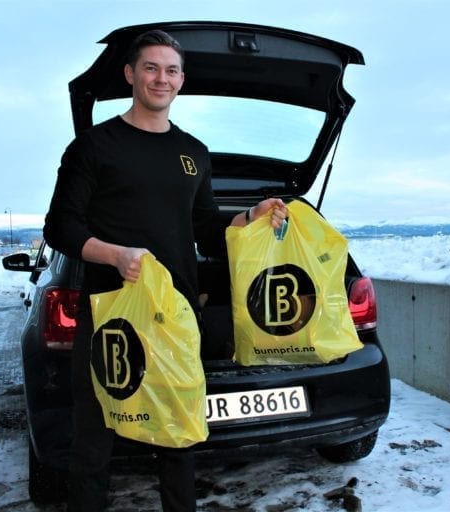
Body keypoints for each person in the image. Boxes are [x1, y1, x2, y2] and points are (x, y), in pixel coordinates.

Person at [43, 29, 287, 512]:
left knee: (180, 435)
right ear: (130, 74)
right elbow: (60, 227)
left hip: (174, 318)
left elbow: (205, 230)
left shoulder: (193, 153)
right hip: (112, 313)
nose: (162, 78)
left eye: (172, 70)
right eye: (151, 68)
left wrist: (250, 217)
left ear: (182, 80)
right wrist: (115, 255)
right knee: (94, 437)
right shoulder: (95, 146)